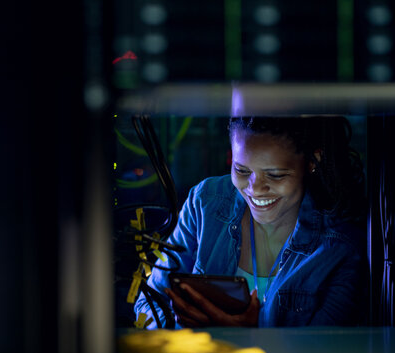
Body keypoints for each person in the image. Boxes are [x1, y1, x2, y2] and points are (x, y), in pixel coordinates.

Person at [134, 116, 368, 328]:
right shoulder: (205, 203)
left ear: (312, 161)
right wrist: (178, 328)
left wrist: (253, 335)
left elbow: (328, 350)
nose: (254, 188)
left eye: (275, 174)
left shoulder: (339, 246)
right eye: (242, 170)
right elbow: (147, 304)